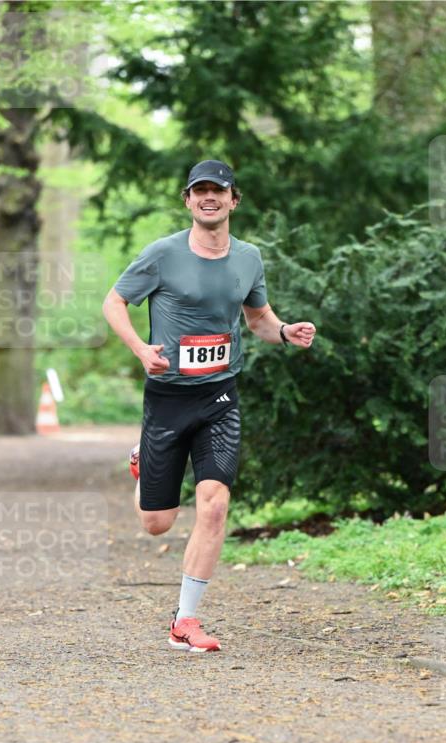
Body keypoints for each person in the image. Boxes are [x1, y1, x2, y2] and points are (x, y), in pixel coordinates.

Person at [102, 159, 316, 652]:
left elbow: (258, 317)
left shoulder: (249, 258)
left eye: (217, 191)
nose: (208, 198)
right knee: (157, 524)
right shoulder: (162, 254)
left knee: (215, 503)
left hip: (220, 395)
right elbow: (114, 303)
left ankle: (186, 621)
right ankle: (143, 463)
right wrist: (140, 349)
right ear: (188, 200)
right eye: (199, 191)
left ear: (233, 200)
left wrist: (284, 332)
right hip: (168, 398)